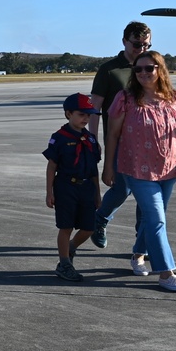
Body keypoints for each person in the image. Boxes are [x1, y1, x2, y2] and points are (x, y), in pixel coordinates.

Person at [101, 50, 176, 292]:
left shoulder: (175, 97)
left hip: (170, 167)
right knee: (156, 219)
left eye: (149, 68)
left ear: (160, 69)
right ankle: (166, 273)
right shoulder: (125, 98)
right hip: (137, 169)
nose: (143, 73)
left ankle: (137, 254)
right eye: (138, 69)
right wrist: (107, 167)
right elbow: (112, 135)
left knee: (152, 217)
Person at [89, 21, 152, 249]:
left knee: (146, 191)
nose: (141, 49)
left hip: (147, 142)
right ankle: (101, 218)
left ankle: (142, 242)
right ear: (124, 41)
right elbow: (95, 106)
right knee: (122, 187)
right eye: (137, 44)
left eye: (146, 45)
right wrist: (93, 138)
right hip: (119, 140)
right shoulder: (109, 70)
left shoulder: (150, 68)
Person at [44, 93, 102, 282]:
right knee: (66, 226)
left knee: (89, 228)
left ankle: (71, 247)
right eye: (81, 114)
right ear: (68, 114)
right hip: (66, 186)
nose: (85, 119)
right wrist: (49, 192)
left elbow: (94, 169)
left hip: (86, 187)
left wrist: (98, 194)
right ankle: (64, 264)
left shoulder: (91, 139)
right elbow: (52, 165)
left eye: (88, 115)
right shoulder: (59, 137)